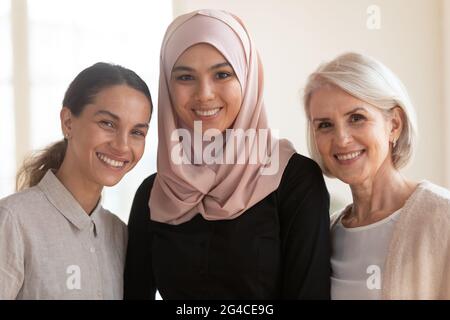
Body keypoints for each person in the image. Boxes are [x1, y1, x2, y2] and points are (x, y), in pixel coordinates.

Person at [124, 9, 331, 300]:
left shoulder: (294, 181)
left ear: (248, 79)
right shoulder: (154, 194)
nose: (204, 94)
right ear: (167, 88)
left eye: (222, 74)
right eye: (185, 77)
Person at [303, 52, 450, 299]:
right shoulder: (326, 234)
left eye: (356, 118)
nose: (341, 139)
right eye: (325, 125)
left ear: (394, 124)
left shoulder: (442, 218)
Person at [0, 62, 153, 299]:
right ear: (68, 122)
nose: (122, 145)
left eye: (137, 132)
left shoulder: (120, 235)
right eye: (108, 123)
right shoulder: (13, 221)